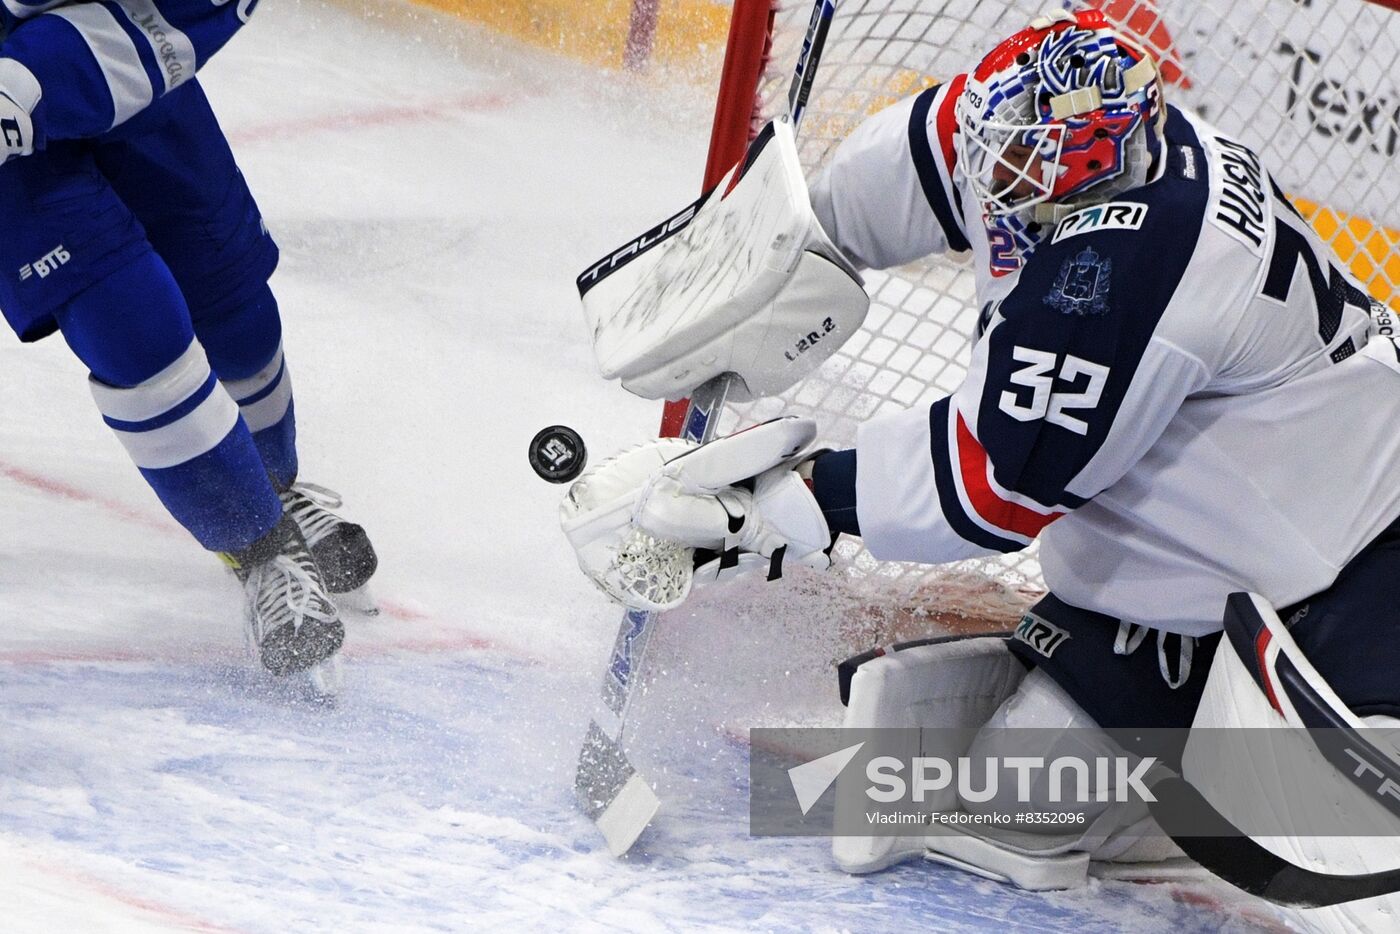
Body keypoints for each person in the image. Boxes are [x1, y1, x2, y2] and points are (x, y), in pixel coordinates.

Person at [562, 8, 1400, 930]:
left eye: (1015, 175)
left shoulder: (1131, 269)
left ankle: (1235, 768)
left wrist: (779, 507)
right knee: (1014, 807)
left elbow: (991, 484)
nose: (993, 181)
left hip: (1362, 567)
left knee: (1327, 876)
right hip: (1224, 569)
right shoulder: (1054, 128)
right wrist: (768, 257)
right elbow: (916, 168)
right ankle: (1197, 745)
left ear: (1097, 181)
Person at [0, 1, 377, 683]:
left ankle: (273, 485)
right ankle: (260, 551)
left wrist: (29, 78)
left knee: (234, 307)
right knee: (131, 328)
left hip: (120, 44)